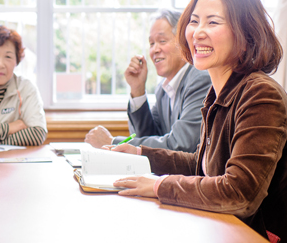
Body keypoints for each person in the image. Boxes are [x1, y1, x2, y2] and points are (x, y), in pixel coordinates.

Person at [110, 0, 287, 243]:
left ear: (244, 32)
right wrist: (142, 155)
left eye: (213, 22)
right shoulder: (219, 92)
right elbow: (201, 165)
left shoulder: (260, 95)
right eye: (194, 21)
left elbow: (240, 194)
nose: (198, 32)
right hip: (232, 239)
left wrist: (160, 186)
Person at [85, 9, 211, 152]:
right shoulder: (163, 89)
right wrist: (137, 90)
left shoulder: (200, 80)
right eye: (151, 43)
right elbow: (150, 138)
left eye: (162, 41)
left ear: (184, 41)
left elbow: (180, 145)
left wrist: (112, 142)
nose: (155, 50)